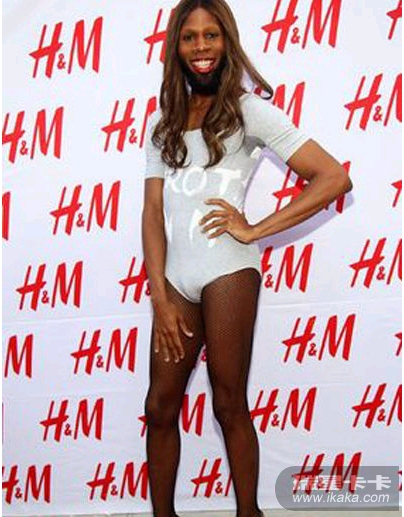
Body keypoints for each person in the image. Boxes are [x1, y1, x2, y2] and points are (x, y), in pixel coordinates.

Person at [142, 0, 353, 516]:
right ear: (176, 48)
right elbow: (151, 212)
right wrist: (159, 297)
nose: (201, 46)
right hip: (176, 279)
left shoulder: (248, 110)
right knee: (159, 406)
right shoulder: (161, 122)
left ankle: (248, 512)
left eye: (211, 35)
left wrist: (256, 228)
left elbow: (333, 177)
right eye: (190, 37)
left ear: (226, 42)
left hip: (229, 269)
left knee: (228, 403)